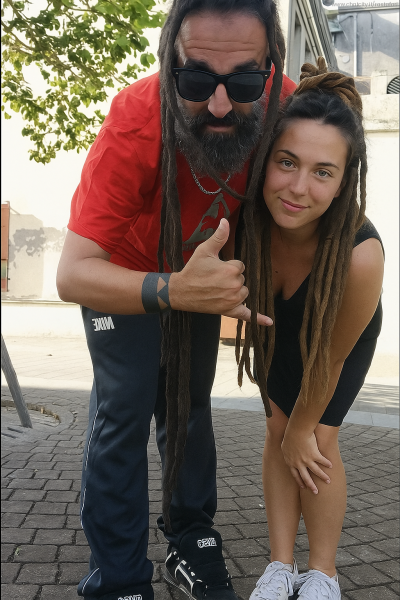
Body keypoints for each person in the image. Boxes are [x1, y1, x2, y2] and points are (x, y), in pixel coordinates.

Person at [56, 1, 297, 599]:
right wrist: (173, 289)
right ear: (169, 64)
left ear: (270, 67)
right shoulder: (135, 120)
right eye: (195, 79)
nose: (220, 104)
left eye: (245, 81)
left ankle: (190, 536)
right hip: (125, 271)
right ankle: (118, 576)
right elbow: (73, 274)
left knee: (188, 405)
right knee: (125, 410)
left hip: (199, 274)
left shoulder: (286, 106)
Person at [235, 58, 384, 600]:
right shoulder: (247, 219)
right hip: (279, 322)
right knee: (277, 430)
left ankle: (323, 574)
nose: (298, 188)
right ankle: (280, 567)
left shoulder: (360, 256)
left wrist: (302, 428)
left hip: (338, 337)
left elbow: (329, 359)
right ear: (266, 160)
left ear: (344, 183)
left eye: (323, 172)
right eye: (287, 162)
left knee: (314, 437)